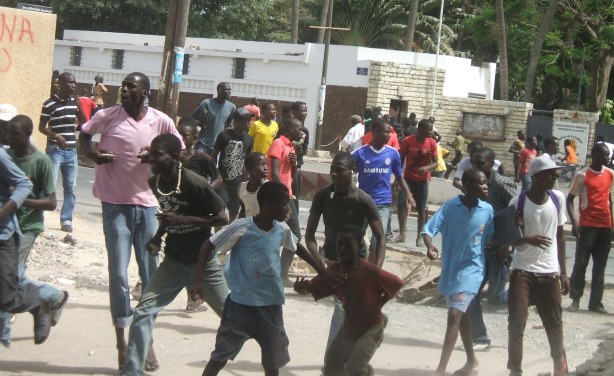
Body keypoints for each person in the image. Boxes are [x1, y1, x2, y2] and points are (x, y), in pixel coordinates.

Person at [79, 72, 184, 370]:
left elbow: (179, 150)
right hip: (114, 206)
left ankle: (146, 339)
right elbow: (85, 134)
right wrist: (93, 153)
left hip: (149, 206)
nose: (124, 90)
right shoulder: (107, 116)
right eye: (123, 86)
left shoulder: (160, 120)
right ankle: (121, 343)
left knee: (150, 275)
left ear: (145, 92)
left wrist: (155, 155)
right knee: (119, 275)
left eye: (130, 87)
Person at [190, 181, 343, 376]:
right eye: (284, 203)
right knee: (219, 357)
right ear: (268, 205)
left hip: (271, 307)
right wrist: (198, 280)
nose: (288, 208)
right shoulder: (242, 227)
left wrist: (323, 272)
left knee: (272, 363)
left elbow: (299, 249)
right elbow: (208, 245)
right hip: (240, 307)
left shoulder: (281, 229)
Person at [121, 134, 229, 375]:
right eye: (151, 155)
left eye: (157, 156)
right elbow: (170, 212)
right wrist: (158, 237)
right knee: (143, 311)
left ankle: (269, 339)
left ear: (173, 157)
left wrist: (183, 219)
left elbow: (222, 218)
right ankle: (132, 370)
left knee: (232, 316)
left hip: (202, 262)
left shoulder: (194, 182)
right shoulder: (155, 181)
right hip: (173, 261)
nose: (152, 160)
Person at [295, 225, 403, 376]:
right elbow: (311, 288)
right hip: (350, 326)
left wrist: (379, 304)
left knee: (355, 368)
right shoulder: (335, 271)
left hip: (371, 326)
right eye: (340, 244)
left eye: (348, 245)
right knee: (332, 365)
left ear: (358, 246)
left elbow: (396, 283)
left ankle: (365, 371)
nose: (343, 249)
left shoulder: (369, 270)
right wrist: (301, 288)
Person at [305, 152, 385, 349]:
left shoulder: (363, 200)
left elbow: (381, 237)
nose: (334, 174)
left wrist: (375, 271)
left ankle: (333, 363)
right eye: (332, 170)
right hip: (331, 259)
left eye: (339, 170)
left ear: (353, 171)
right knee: (347, 310)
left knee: (343, 309)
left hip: (355, 263)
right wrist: (321, 262)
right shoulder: (323, 196)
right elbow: (309, 236)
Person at [422, 168, 494, 376]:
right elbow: (428, 229)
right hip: (451, 271)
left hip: (473, 271)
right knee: (463, 316)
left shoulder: (487, 210)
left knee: (455, 315)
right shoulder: (451, 207)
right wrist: (429, 246)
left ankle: (440, 369)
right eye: (481, 183)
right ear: (468, 186)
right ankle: (471, 360)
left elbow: (490, 238)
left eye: (486, 183)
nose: (485, 187)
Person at [504, 155, 569, 376]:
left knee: (554, 324)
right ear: (538, 177)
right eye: (551, 174)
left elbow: (560, 237)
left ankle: (559, 367)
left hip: (549, 273)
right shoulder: (518, 202)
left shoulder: (557, 199)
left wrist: (564, 273)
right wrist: (526, 240)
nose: (554, 177)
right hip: (522, 271)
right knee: (516, 324)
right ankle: (515, 370)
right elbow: (508, 239)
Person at [0, 130, 53, 346]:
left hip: (4, 235)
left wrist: (6, 209)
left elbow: (24, 184)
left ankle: (38, 303)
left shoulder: (3, 156)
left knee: (5, 297)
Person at [469, 147, 518, 350]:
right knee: (471, 293)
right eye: (473, 162)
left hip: (499, 248)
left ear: (491, 163)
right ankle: (479, 336)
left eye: (480, 163)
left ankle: (528, 295)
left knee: (495, 298)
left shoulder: (500, 183)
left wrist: (506, 246)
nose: (476, 166)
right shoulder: (473, 182)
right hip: (481, 248)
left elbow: (515, 213)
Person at [352, 118, 415, 256]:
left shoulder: (393, 154)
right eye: (387, 132)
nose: (389, 135)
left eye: (390, 132)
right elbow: (344, 166)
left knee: (378, 241)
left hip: (383, 203)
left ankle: (374, 273)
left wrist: (409, 195)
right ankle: (358, 267)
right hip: (362, 202)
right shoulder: (360, 153)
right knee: (355, 239)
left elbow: (399, 177)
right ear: (375, 131)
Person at [567, 143, 614, 314]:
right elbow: (569, 200)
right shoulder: (582, 175)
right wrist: (574, 223)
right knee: (581, 264)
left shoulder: (610, 174)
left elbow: (609, 199)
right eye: (604, 155)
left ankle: (595, 303)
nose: (607, 158)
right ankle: (575, 299)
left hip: (605, 227)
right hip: (587, 226)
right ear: (594, 154)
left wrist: (612, 224)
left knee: (600, 266)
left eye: (608, 155)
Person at [38, 72, 84, 234]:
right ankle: (39, 219)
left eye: (74, 83)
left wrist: (80, 108)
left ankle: (66, 220)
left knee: (70, 187)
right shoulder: (49, 104)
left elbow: (85, 123)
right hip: (55, 151)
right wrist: (55, 135)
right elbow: (41, 127)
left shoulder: (74, 102)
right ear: (60, 84)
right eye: (70, 83)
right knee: (48, 186)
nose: (73, 86)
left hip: (71, 152)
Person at [268, 118, 303, 286]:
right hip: (279, 197)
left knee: (292, 235)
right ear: (290, 128)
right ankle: (278, 273)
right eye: (299, 129)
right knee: (291, 234)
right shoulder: (278, 144)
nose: (301, 133)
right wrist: (284, 200)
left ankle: (281, 272)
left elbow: (292, 177)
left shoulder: (291, 147)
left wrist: (294, 164)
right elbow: (274, 174)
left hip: (287, 196)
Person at [398, 119, 438, 245]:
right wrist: (397, 179)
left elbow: (436, 163)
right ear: (421, 129)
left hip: (422, 180)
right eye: (429, 129)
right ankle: (402, 233)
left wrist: (427, 168)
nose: (431, 132)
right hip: (408, 179)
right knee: (401, 203)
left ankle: (419, 236)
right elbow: (400, 160)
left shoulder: (432, 143)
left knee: (421, 209)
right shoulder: (408, 140)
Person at [211, 108, 254, 225]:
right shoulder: (224, 136)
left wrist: (247, 178)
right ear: (238, 121)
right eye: (247, 120)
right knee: (220, 211)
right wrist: (215, 174)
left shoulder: (249, 139)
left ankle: (230, 236)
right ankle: (218, 237)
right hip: (222, 182)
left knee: (234, 212)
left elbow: (248, 160)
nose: (250, 122)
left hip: (238, 183)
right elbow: (214, 155)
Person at [192, 82, 236, 154]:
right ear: (219, 90)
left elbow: (229, 125)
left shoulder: (232, 107)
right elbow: (192, 120)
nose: (229, 92)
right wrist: (201, 122)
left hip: (218, 147)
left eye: (230, 90)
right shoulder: (206, 103)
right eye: (227, 90)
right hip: (203, 144)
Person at [238, 152, 268, 218]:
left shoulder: (270, 188)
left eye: (267, 164)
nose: (266, 168)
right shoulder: (242, 188)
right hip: (249, 226)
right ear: (249, 169)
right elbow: (243, 210)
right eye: (261, 165)